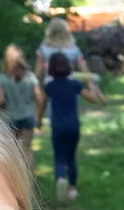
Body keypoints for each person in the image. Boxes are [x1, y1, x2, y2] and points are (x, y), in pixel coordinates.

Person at [38, 50, 104, 201]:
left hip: (57, 126)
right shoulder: (75, 84)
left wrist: (39, 120)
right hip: (73, 126)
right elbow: (92, 99)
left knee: (59, 157)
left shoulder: (50, 86)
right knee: (71, 157)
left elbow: (42, 104)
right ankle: (73, 189)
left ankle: (61, 178)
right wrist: (91, 84)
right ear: (68, 66)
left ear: (51, 69)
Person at [0, 44, 44, 167]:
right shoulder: (30, 77)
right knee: (27, 149)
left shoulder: (3, 78)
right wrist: (38, 116)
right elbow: (39, 98)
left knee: (12, 150)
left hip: (10, 118)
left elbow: (0, 101)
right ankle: (29, 178)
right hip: (28, 116)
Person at [36, 15, 91, 81]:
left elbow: (38, 72)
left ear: (50, 31)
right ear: (66, 30)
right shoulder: (73, 48)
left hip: (50, 84)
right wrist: (92, 86)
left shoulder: (44, 48)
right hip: (70, 82)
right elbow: (84, 70)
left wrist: (36, 87)